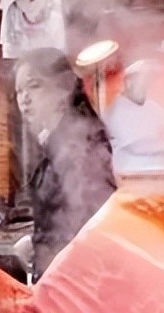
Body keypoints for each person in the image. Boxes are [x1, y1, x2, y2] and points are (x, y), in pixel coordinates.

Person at [14, 47, 116, 277]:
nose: (24, 99)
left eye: (34, 85)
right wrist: (35, 243)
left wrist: (45, 248)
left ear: (65, 87)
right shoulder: (57, 142)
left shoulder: (78, 144)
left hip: (78, 281)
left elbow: (87, 222)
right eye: (19, 91)